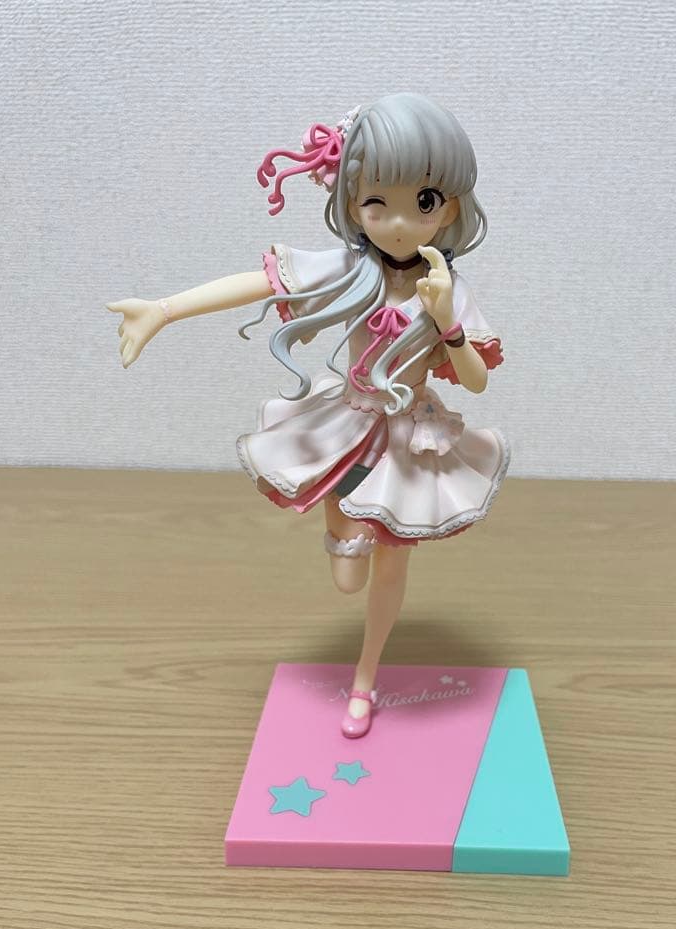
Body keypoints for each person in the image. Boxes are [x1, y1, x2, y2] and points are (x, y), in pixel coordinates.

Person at [107, 92, 510, 739]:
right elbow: (261, 283)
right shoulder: (349, 268)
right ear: (351, 201)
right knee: (348, 575)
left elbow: (477, 380)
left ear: (451, 206)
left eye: (424, 200)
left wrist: (446, 322)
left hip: (411, 438)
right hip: (347, 421)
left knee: (393, 561)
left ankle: (365, 679)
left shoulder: (448, 289)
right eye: (377, 202)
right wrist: (164, 309)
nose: (399, 222)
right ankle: (347, 531)